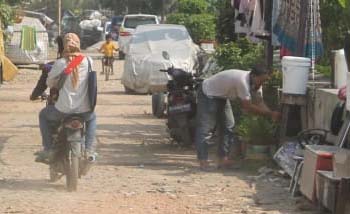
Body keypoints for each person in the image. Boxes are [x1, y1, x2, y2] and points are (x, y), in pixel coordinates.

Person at [195, 64, 281, 170]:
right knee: (206, 129)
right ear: (254, 76)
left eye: (265, 80)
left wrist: (271, 114)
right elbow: (247, 106)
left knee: (229, 126)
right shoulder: (242, 81)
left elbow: (259, 102)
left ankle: (223, 160)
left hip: (222, 96)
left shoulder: (256, 84)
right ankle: (203, 162)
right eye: (262, 80)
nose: (263, 83)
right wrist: (270, 114)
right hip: (208, 93)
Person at [36, 33, 97, 162]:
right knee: (92, 118)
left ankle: (48, 149)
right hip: (84, 111)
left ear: (64, 46)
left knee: (43, 115)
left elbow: (49, 83)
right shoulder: (89, 61)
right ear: (78, 45)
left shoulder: (60, 63)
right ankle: (89, 150)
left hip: (62, 111)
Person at [30, 35, 64, 102]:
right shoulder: (86, 61)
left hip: (62, 104)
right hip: (83, 106)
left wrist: (46, 67)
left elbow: (50, 82)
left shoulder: (57, 64)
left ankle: (37, 93)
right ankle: (37, 93)